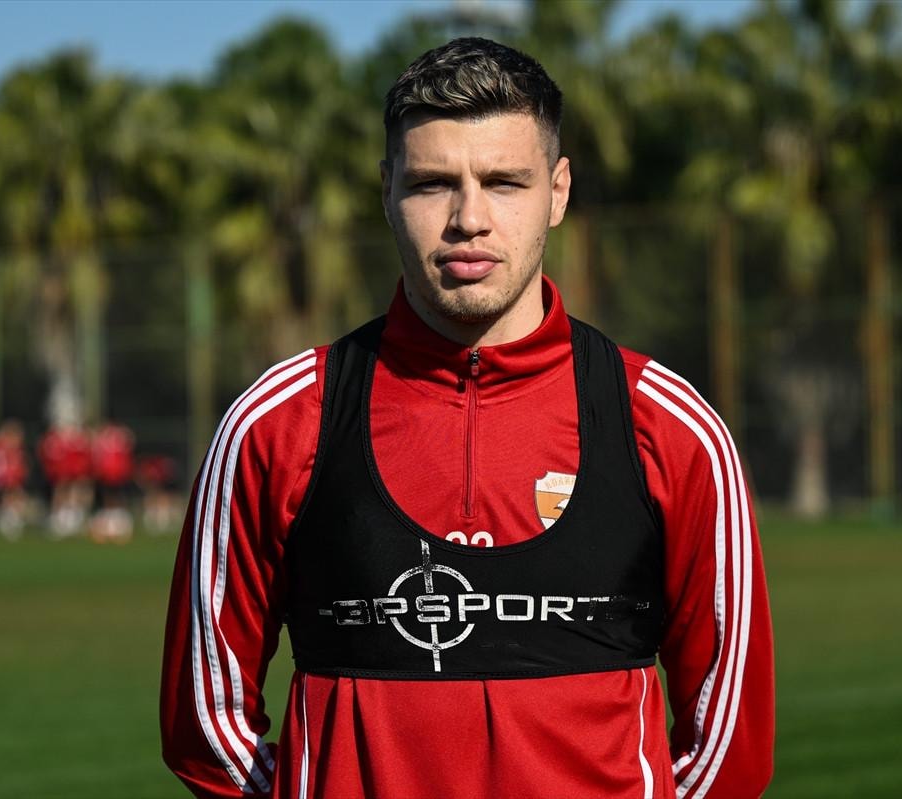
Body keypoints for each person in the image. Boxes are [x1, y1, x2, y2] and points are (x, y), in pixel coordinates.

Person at [161, 37, 774, 799]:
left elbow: (727, 744)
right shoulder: (280, 422)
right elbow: (205, 720)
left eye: (504, 181)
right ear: (386, 190)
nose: (469, 218)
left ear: (558, 191)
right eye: (431, 184)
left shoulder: (669, 427)